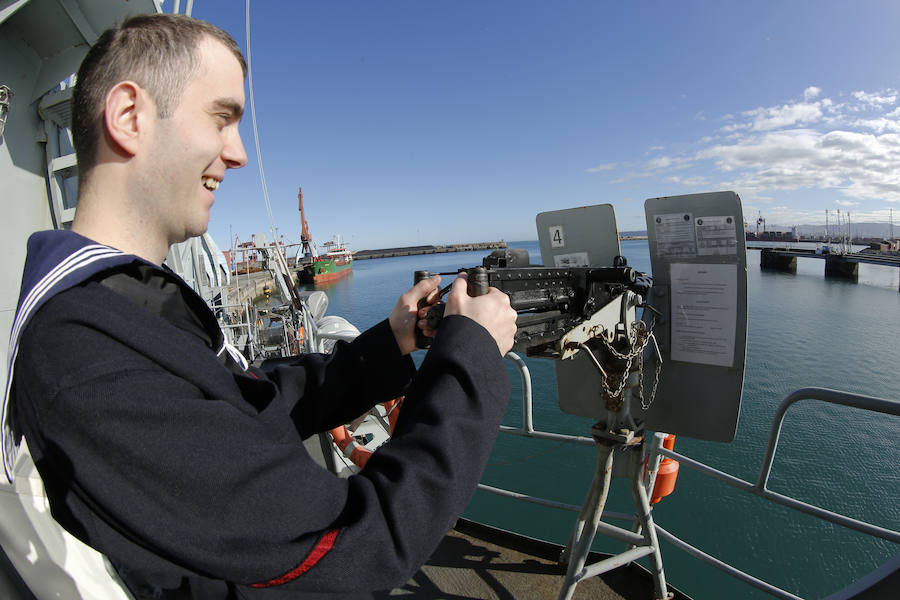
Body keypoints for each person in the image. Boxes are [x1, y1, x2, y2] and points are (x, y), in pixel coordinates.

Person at [2, 13, 517, 599]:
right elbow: (354, 547)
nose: (239, 153)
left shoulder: (113, 310)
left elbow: (249, 412)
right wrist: (471, 358)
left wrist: (393, 341)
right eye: (222, 118)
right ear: (128, 117)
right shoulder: (88, 355)